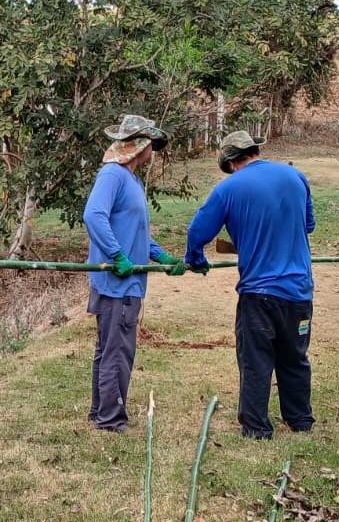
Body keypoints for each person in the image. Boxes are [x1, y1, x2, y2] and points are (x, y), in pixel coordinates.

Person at [185, 130, 315, 440]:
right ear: (255, 151)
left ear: (231, 162)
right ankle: (300, 420)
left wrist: (195, 258)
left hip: (259, 293)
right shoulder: (296, 177)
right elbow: (308, 224)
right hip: (299, 291)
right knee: (294, 356)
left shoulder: (228, 188)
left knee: (256, 359)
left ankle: (257, 428)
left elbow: (197, 232)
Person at [82, 114, 185, 431]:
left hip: (126, 281)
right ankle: (111, 419)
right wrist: (117, 255)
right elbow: (94, 215)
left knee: (109, 348)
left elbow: (133, 229)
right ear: (140, 146)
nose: (154, 151)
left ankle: (101, 411)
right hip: (118, 283)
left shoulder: (132, 179)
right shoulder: (112, 175)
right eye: (151, 145)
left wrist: (161, 256)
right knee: (117, 351)